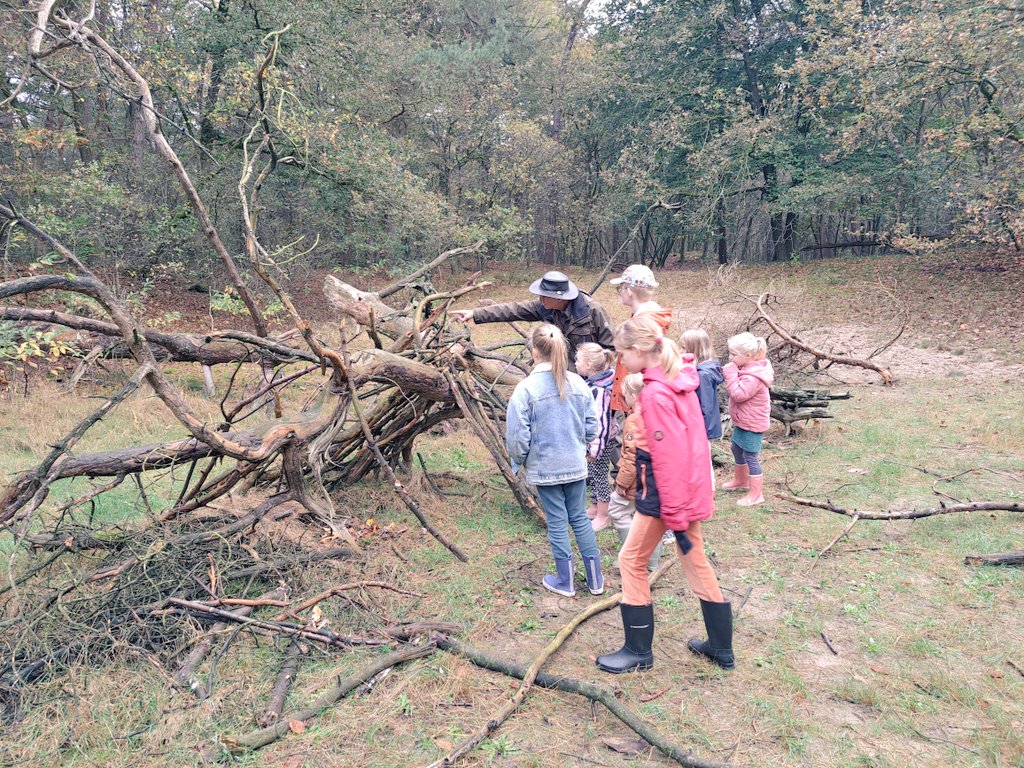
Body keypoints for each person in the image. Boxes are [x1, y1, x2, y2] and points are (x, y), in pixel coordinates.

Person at [596, 315, 734, 674]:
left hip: (664, 497)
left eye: (622, 352)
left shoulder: (656, 393)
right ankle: (720, 646)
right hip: (684, 493)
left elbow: (671, 456)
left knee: (631, 560)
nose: (620, 360)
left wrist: (673, 510)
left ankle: (637, 651)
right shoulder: (679, 377)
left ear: (641, 350)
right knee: (693, 556)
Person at [506, 324, 604, 598]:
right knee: (580, 519)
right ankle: (596, 580)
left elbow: (517, 437)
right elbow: (591, 426)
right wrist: (580, 447)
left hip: (546, 467)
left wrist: (521, 460)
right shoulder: (579, 383)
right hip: (575, 465)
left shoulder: (525, 390)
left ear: (534, 351)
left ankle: (565, 580)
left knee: (558, 522)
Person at [451, 271, 614, 370]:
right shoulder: (545, 306)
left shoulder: (592, 312)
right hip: (559, 374)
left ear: (560, 298)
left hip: (587, 378)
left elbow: (610, 349)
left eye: (544, 295)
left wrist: (596, 375)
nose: (540, 298)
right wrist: (475, 313)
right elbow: (513, 310)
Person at [607, 372, 663, 571]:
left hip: (637, 479)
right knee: (648, 517)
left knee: (617, 510)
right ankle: (652, 562)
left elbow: (631, 455)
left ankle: (632, 556)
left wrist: (621, 483)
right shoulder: (659, 412)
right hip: (656, 477)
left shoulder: (634, 419)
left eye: (625, 395)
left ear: (633, 395)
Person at [608, 265, 673, 414]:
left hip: (637, 400)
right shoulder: (647, 319)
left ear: (629, 292)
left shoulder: (642, 324)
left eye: (621, 288)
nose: (620, 293)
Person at [722, 332, 774, 506]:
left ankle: (756, 493)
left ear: (748, 356)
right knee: (736, 448)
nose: (730, 357)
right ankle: (741, 480)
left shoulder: (754, 377)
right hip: (743, 421)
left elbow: (739, 394)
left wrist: (730, 374)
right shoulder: (745, 369)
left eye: (734, 354)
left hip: (753, 424)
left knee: (751, 456)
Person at [574, 343, 617, 532]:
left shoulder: (600, 390)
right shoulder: (593, 383)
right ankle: (594, 506)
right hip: (592, 441)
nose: (575, 364)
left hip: (600, 441)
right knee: (592, 473)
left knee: (599, 476)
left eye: (578, 361)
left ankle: (603, 515)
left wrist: (595, 449)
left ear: (589, 365)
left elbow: (600, 422)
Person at [680, 328, 724, 440]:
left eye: (683, 348)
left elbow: (705, 406)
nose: (680, 351)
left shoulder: (703, 375)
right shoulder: (701, 371)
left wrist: (700, 433)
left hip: (703, 430)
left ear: (696, 350)